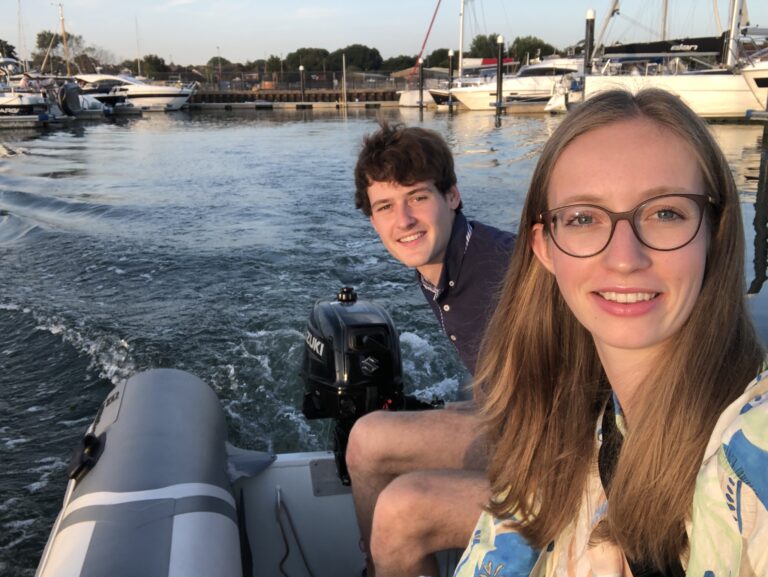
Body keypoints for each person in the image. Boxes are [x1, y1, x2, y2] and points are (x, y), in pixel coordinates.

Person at [454, 88, 767, 577]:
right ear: (545, 248)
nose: (624, 258)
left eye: (665, 213)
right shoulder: (560, 425)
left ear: (714, 232)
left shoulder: (752, 448)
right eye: (583, 218)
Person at [347, 122, 515, 576]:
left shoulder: (510, 272)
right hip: (516, 429)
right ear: (373, 220)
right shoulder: (438, 264)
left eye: (418, 197)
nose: (403, 221)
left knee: (402, 510)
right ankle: (379, 565)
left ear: (452, 196)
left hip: (565, 466)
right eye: (386, 206)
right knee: (365, 440)